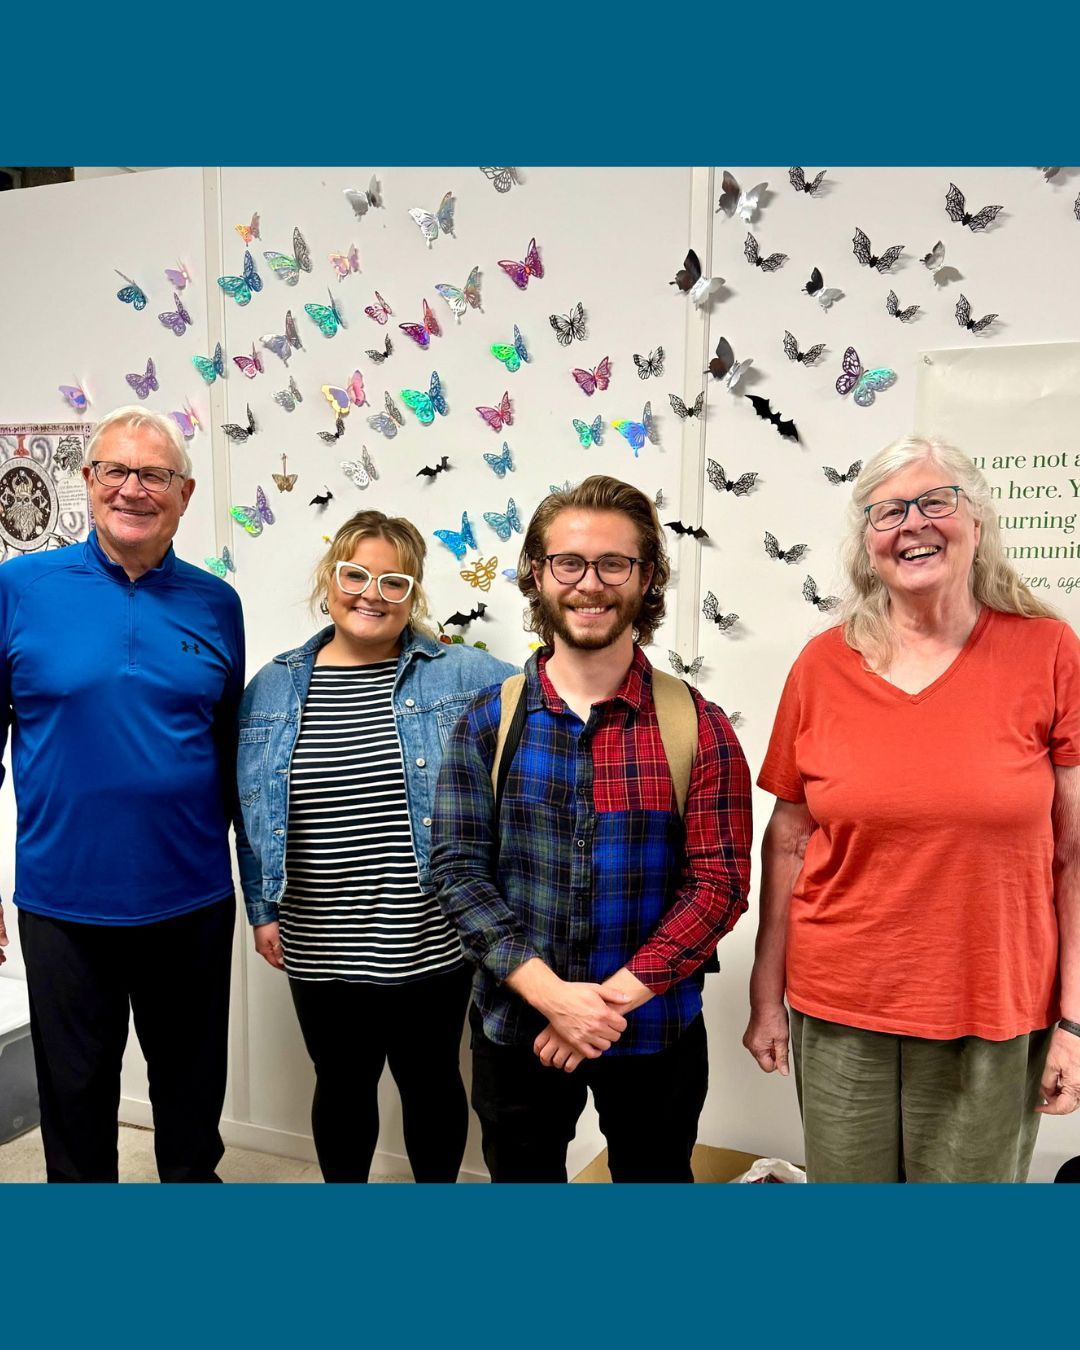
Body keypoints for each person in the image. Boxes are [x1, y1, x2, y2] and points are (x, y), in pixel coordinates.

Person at [744, 435, 1080, 1182]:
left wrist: (1076, 1022)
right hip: (840, 1007)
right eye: (888, 511)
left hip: (994, 1006)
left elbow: (1073, 855)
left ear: (977, 521)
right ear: (868, 543)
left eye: (936, 501)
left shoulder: (1050, 652)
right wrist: (767, 992)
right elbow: (789, 841)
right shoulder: (821, 663)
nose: (914, 524)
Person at [430, 476, 752, 1183]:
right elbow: (457, 870)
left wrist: (605, 1005)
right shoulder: (487, 720)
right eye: (569, 563)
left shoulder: (699, 727)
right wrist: (552, 996)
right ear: (537, 573)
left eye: (614, 564)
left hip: (655, 1030)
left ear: (648, 577)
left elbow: (720, 885)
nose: (590, 585)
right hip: (519, 1027)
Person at [0, 406, 244, 1182]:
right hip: (63, 906)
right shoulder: (19, 589)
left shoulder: (217, 604)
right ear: (88, 479)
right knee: (74, 1112)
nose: (133, 489)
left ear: (185, 492)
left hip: (191, 902)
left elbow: (232, 756)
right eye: (116, 470)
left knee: (191, 1112)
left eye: (155, 475)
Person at [235, 511, 517, 1183]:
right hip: (318, 938)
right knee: (341, 1083)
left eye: (394, 582)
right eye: (355, 575)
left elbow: (557, 693)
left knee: (431, 1081)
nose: (372, 594)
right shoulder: (272, 687)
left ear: (413, 593)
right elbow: (249, 805)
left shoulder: (462, 673)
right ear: (329, 578)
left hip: (430, 934)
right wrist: (261, 908)